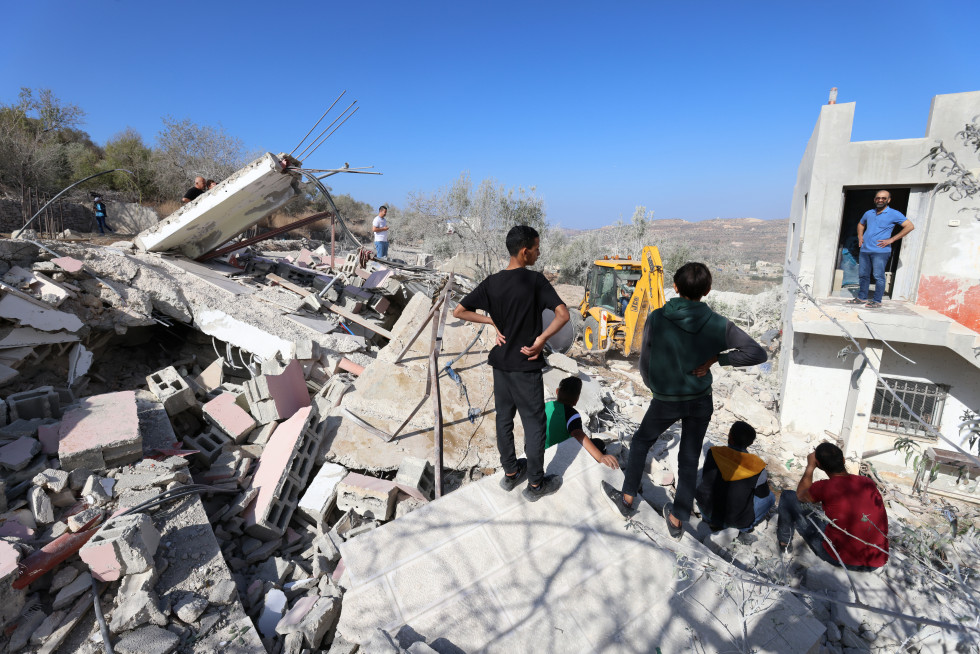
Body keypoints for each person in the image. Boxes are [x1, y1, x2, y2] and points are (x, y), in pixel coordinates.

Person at [601, 262, 767, 540]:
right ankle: (677, 519)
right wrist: (719, 358)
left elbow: (645, 361)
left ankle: (627, 499)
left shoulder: (657, 317)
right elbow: (756, 353)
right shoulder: (718, 323)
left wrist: (657, 387)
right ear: (708, 290)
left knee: (642, 441)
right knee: (689, 459)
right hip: (700, 401)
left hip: (666, 399)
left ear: (675, 287)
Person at [453, 225, 570, 502]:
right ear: (524, 250)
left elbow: (459, 311)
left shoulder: (491, 282)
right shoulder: (535, 281)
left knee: (503, 419)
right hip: (525, 365)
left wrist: (491, 319)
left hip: (501, 365)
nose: (539, 253)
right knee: (534, 424)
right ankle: (537, 485)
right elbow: (563, 315)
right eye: (537, 248)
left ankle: (511, 473)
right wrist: (541, 340)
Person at [776, 443, 888, 571]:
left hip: (840, 558)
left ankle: (784, 545)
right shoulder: (867, 482)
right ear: (844, 460)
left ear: (819, 465)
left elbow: (800, 495)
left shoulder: (824, 487)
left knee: (787, 496)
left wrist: (810, 466)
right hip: (877, 560)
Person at [695, 421, 774, 533]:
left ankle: (712, 521)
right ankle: (745, 528)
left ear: (730, 436)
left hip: (708, 513)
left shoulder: (714, 452)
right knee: (770, 497)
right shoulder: (757, 466)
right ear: (750, 443)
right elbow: (762, 494)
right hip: (737, 522)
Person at [848, 190, 914, 308]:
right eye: (878, 198)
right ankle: (862, 298)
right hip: (865, 250)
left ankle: (877, 300)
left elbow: (909, 226)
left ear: (888, 200)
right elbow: (860, 224)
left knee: (878, 276)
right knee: (863, 275)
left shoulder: (894, 214)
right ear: (875, 199)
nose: (880, 200)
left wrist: (892, 239)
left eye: (883, 198)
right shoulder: (869, 213)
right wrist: (860, 236)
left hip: (881, 251)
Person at [546, 376, 619, 470]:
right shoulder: (572, 414)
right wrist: (600, 457)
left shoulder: (545, 406)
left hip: (538, 449)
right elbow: (577, 434)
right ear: (576, 400)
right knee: (599, 443)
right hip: (558, 454)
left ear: (557, 391)